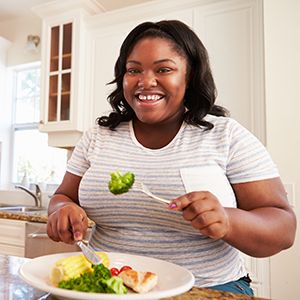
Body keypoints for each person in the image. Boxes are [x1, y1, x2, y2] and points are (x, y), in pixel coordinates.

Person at [47, 20, 296, 295]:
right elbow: (63, 197)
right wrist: (62, 211)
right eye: (133, 70)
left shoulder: (226, 135)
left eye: (164, 69)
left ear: (189, 77)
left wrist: (227, 220)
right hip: (107, 286)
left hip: (207, 288)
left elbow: (283, 229)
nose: (145, 81)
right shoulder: (98, 135)